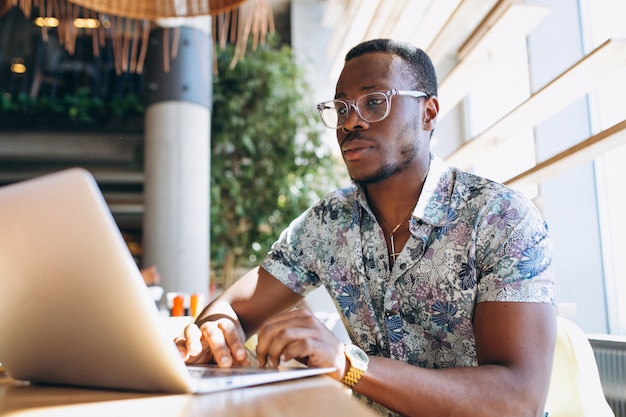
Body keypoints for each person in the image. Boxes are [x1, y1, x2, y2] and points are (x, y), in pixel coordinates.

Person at [176, 39, 556, 417]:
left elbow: (518, 400)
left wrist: (348, 363)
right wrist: (215, 334)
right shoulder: (328, 224)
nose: (351, 121)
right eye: (341, 108)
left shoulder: (501, 216)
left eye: (374, 102)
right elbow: (233, 311)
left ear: (429, 113)